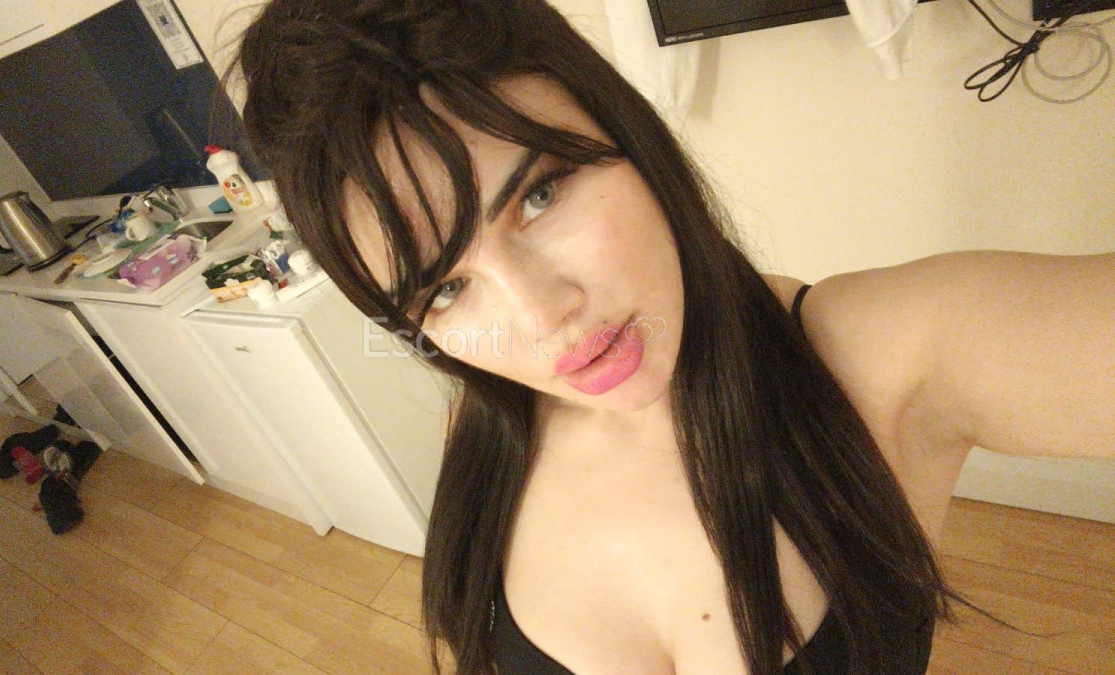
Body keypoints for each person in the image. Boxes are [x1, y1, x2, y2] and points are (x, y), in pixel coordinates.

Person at [229, 1, 1114, 673]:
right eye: (447, 289)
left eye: (539, 194)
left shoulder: (885, 357)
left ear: (624, 125)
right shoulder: (481, 426)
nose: (541, 318)